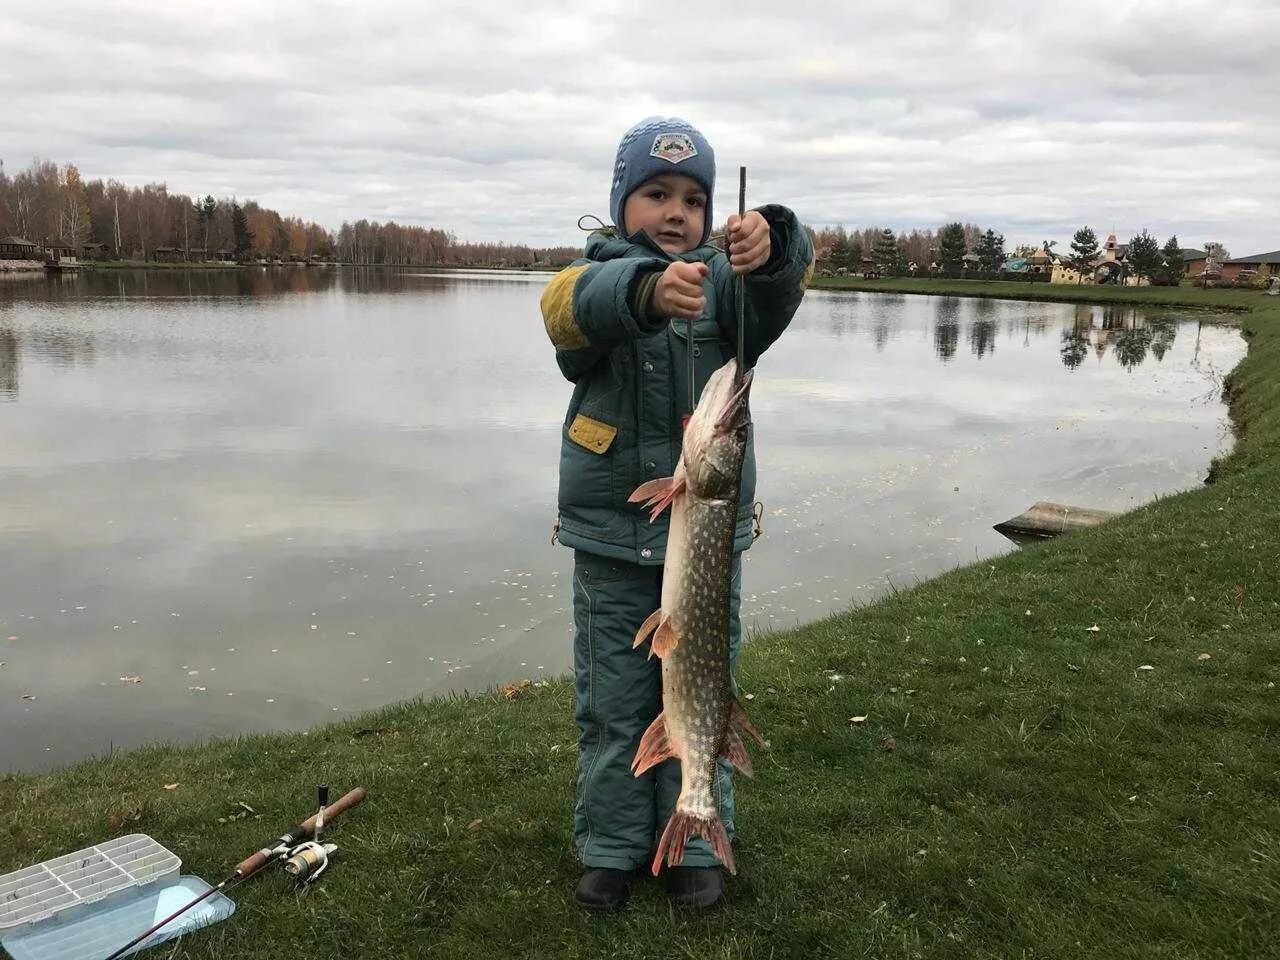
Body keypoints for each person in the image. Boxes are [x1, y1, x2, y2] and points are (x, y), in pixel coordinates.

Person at [540, 117, 813, 910]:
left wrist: (774, 244)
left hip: (706, 544)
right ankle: (613, 848)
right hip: (611, 545)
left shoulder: (724, 286)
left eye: (692, 199)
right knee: (614, 703)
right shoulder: (584, 278)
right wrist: (645, 292)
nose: (675, 212)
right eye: (655, 194)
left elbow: (777, 297)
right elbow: (570, 321)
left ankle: (696, 836)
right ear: (620, 205)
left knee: (704, 689)